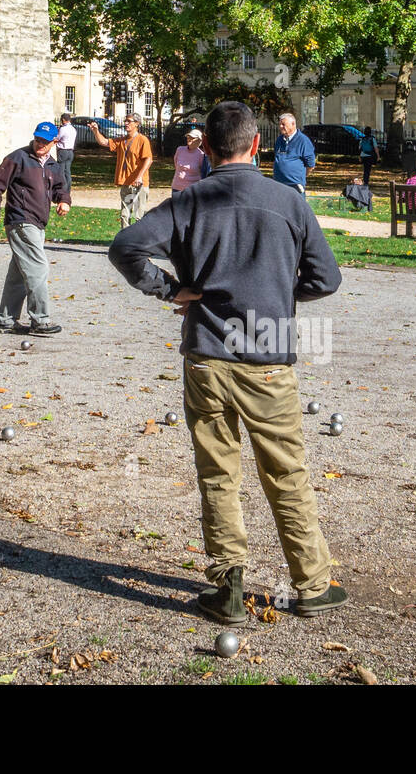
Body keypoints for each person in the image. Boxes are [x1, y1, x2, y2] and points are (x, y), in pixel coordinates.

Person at [107, 100, 346, 622]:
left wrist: (169, 289)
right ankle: (311, 582)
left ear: (208, 150)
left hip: (208, 353)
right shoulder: (288, 202)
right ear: (258, 144)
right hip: (268, 354)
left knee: (218, 471)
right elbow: (326, 279)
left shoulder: (190, 202)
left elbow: (126, 246)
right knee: (286, 471)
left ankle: (228, 584)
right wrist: (280, 290)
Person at [0, 121, 71, 336]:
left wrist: (64, 201)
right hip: (21, 220)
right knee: (38, 268)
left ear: (54, 141)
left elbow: (61, 187)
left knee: (19, 274)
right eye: (37, 139)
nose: (39, 144)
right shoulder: (18, 158)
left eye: (44, 140)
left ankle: (6, 321)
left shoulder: (52, 164)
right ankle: (40, 320)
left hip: (38, 223)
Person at [90, 112, 153, 227]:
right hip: (126, 183)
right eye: (125, 121)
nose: (126, 123)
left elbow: (148, 160)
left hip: (139, 184)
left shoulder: (142, 140)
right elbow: (104, 142)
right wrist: (95, 131)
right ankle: (126, 241)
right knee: (125, 214)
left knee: (139, 216)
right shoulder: (122, 140)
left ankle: (139, 243)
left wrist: (139, 176)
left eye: (129, 121)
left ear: (137, 124)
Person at [272, 112, 316, 197]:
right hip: (279, 184)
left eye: (283, 124)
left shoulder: (303, 141)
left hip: (295, 186)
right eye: (280, 124)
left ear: (293, 124)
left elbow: (310, 165)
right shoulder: (279, 140)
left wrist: (300, 177)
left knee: (296, 209)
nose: (281, 126)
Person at [171, 127, 211, 193]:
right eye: (188, 137)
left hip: (192, 190)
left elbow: (203, 172)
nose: (189, 139)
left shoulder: (201, 155)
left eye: (192, 138)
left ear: (199, 140)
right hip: (176, 187)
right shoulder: (180, 150)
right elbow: (176, 164)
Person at [55, 112, 78, 196]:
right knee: (67, 172)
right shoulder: (73, 129)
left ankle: (62, 190)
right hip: (70, 151)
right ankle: (67, 190)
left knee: (61, 171)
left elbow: (57, 138)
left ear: (64, 120)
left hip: (63, 151)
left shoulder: (63, 129)